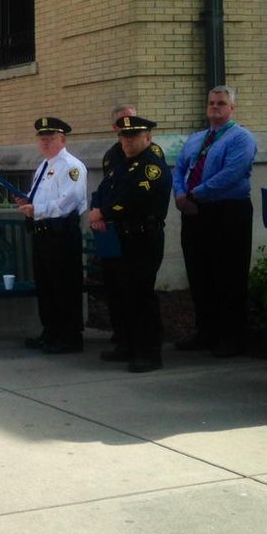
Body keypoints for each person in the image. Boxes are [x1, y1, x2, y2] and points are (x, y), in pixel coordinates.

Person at [172, 86, 258, 357]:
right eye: (211, 103)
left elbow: (233, 173)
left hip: (228, 212)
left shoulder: (241, 138)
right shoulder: (196, 139)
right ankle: (205, 332)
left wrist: (195, 194)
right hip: (195, 213)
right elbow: (180, 169)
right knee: (200, 274)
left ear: (232, 108)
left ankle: (232, 338)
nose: (215, 107)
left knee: (228, 276)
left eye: (221, 103)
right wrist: (180, 194)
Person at [90, 115, 172, 372]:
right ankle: (127, 344)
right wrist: (96, 209)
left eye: (133, 136)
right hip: (120, 237)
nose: (127, 141)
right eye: (123, 136)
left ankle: (149, 353)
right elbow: (102, 191)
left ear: (147, 138)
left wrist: (104, 213)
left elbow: (133, 199)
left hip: (143, 238)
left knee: (141, 295)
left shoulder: (151, 167)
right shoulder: (121, 165)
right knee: (121, 293)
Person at [19, 117, 88, 353]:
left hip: (61, 234)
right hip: (42, 234)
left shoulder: (71, 166)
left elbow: (69, 202)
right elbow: (39, 197)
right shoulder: (44, 166)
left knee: (64, 286)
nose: (45, 142)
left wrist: (37, 209)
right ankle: (51, 332)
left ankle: (70, 337)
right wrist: (27, 202)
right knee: (46, 286)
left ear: (63, 139)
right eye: (42, 138)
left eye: (50, 138)